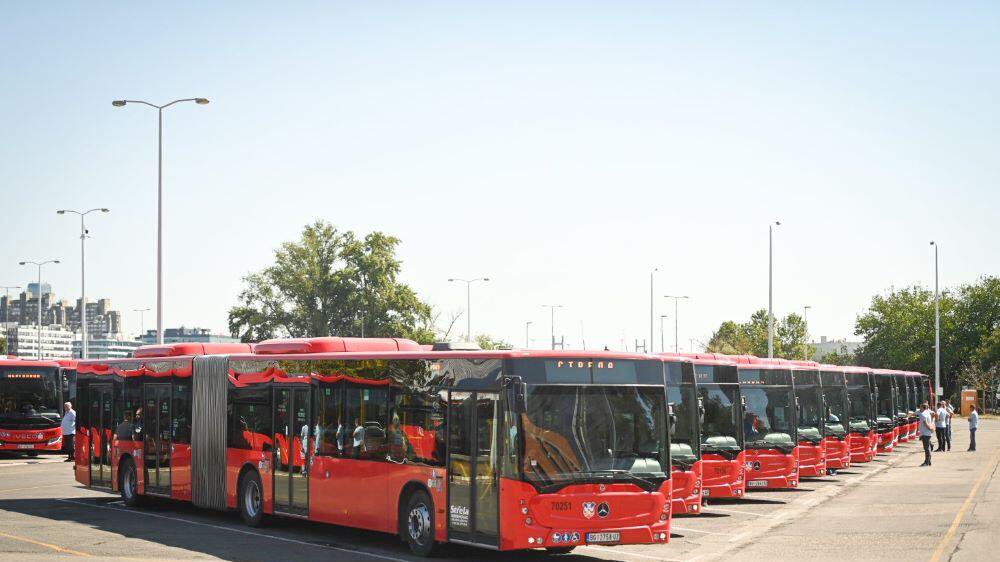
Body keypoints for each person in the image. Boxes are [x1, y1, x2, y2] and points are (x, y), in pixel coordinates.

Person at [918, 402, 935, 466]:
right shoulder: (927, 412)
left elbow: (925, 423)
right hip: (927, 433)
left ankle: (926, 462)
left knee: (926, 448)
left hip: (925, 433)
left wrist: (930, 428)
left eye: (920, 407)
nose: (919, 409)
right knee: (928, 448)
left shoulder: (923, 414)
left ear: (922, 407)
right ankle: (929, 461)